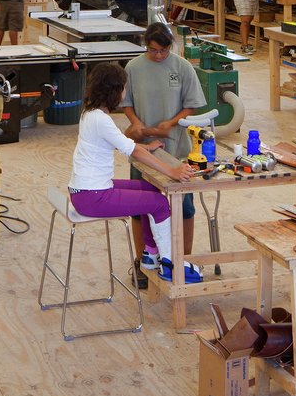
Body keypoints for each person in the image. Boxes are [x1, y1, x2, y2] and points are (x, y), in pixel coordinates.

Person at [69, 64, 198, 267]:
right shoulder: (101, 120)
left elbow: (122, 143)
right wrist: (172, 171)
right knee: (160, 203)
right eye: (124, 87)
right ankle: (171, 263)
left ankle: (151, 253)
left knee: (151, 189)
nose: (125, 92)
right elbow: (133, 151)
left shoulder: (90, 113)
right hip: (93, 197)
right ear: (115, 91)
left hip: (85, 192)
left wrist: (145, 146)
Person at [122, 23, 207, 284]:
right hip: (143, 147)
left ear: (171, 46)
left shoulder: (182, 67)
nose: (158, 55)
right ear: (145, 45)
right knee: (139, 206)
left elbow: (191, 105)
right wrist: (136, 123)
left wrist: (170, 123)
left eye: (163, 50)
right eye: (153, 50)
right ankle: (142, 261)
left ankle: (181, 261)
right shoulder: (133, 68)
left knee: (186, 207)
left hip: (176, 147)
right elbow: (126, 104)